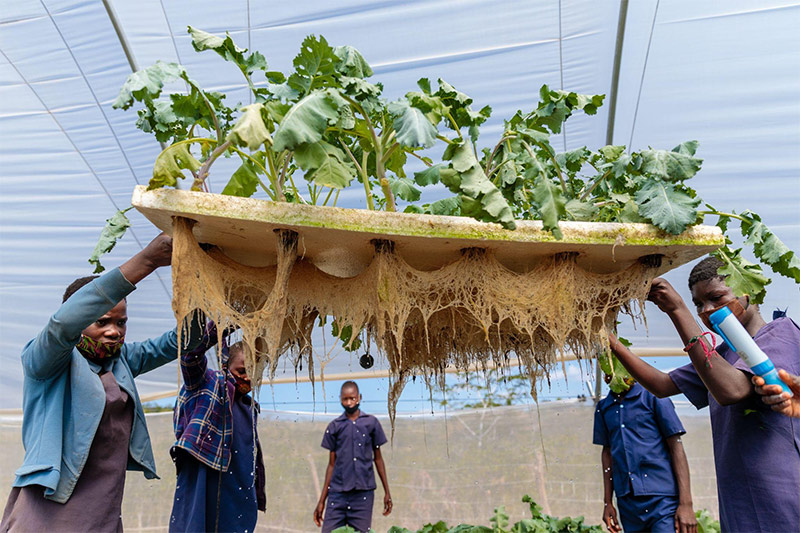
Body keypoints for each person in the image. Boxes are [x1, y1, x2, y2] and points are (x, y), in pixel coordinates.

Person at [0, 233, 204, 532]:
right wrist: (146, 261)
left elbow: (176, 342)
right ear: (79, 319)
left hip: (103, 503)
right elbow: (62, 324)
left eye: (120, 323)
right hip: (51, 503)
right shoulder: (46, 360)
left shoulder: (120, 361)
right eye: (102, 321)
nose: (114, 331)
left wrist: (228, 305)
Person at [608, 256, 800, 531]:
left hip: (779, 494)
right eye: (699, 304)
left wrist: (679, 311)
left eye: (717, 297)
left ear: (751, 291)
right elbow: (662, 385)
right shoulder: (721, 356)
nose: (706, 310)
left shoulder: (780, 332)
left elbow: (732, 389)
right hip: (739, 497)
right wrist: (610, 341)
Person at [169, 324, 266, 533]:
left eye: (254, 373)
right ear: (225, 365)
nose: (248, 378)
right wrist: (221, 327)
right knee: (196, 524)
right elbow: (190, 356)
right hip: (203, 473)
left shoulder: (250, 408)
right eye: (242, 370)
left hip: (237, 484)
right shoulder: (209, 382)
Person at [593, 354, 696, 533]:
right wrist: (608, 502)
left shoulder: (654, 395)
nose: (611, 376)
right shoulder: (604, 408)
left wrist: (686, 504)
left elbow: (676, 445)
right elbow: (607, 454)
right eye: (607, 371)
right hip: (627, 501)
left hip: (662, 499)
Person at [313, 381, 392, 533]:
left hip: (363, 494)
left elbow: (378, 459)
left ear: (359, 398)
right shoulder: (335, 426)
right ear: (340, 399)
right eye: (345, 399)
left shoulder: (371, 423)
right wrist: (322, 501)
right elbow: (331, 465)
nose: (349, 403)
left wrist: (387, 491)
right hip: (337, 494)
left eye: (352, 398)